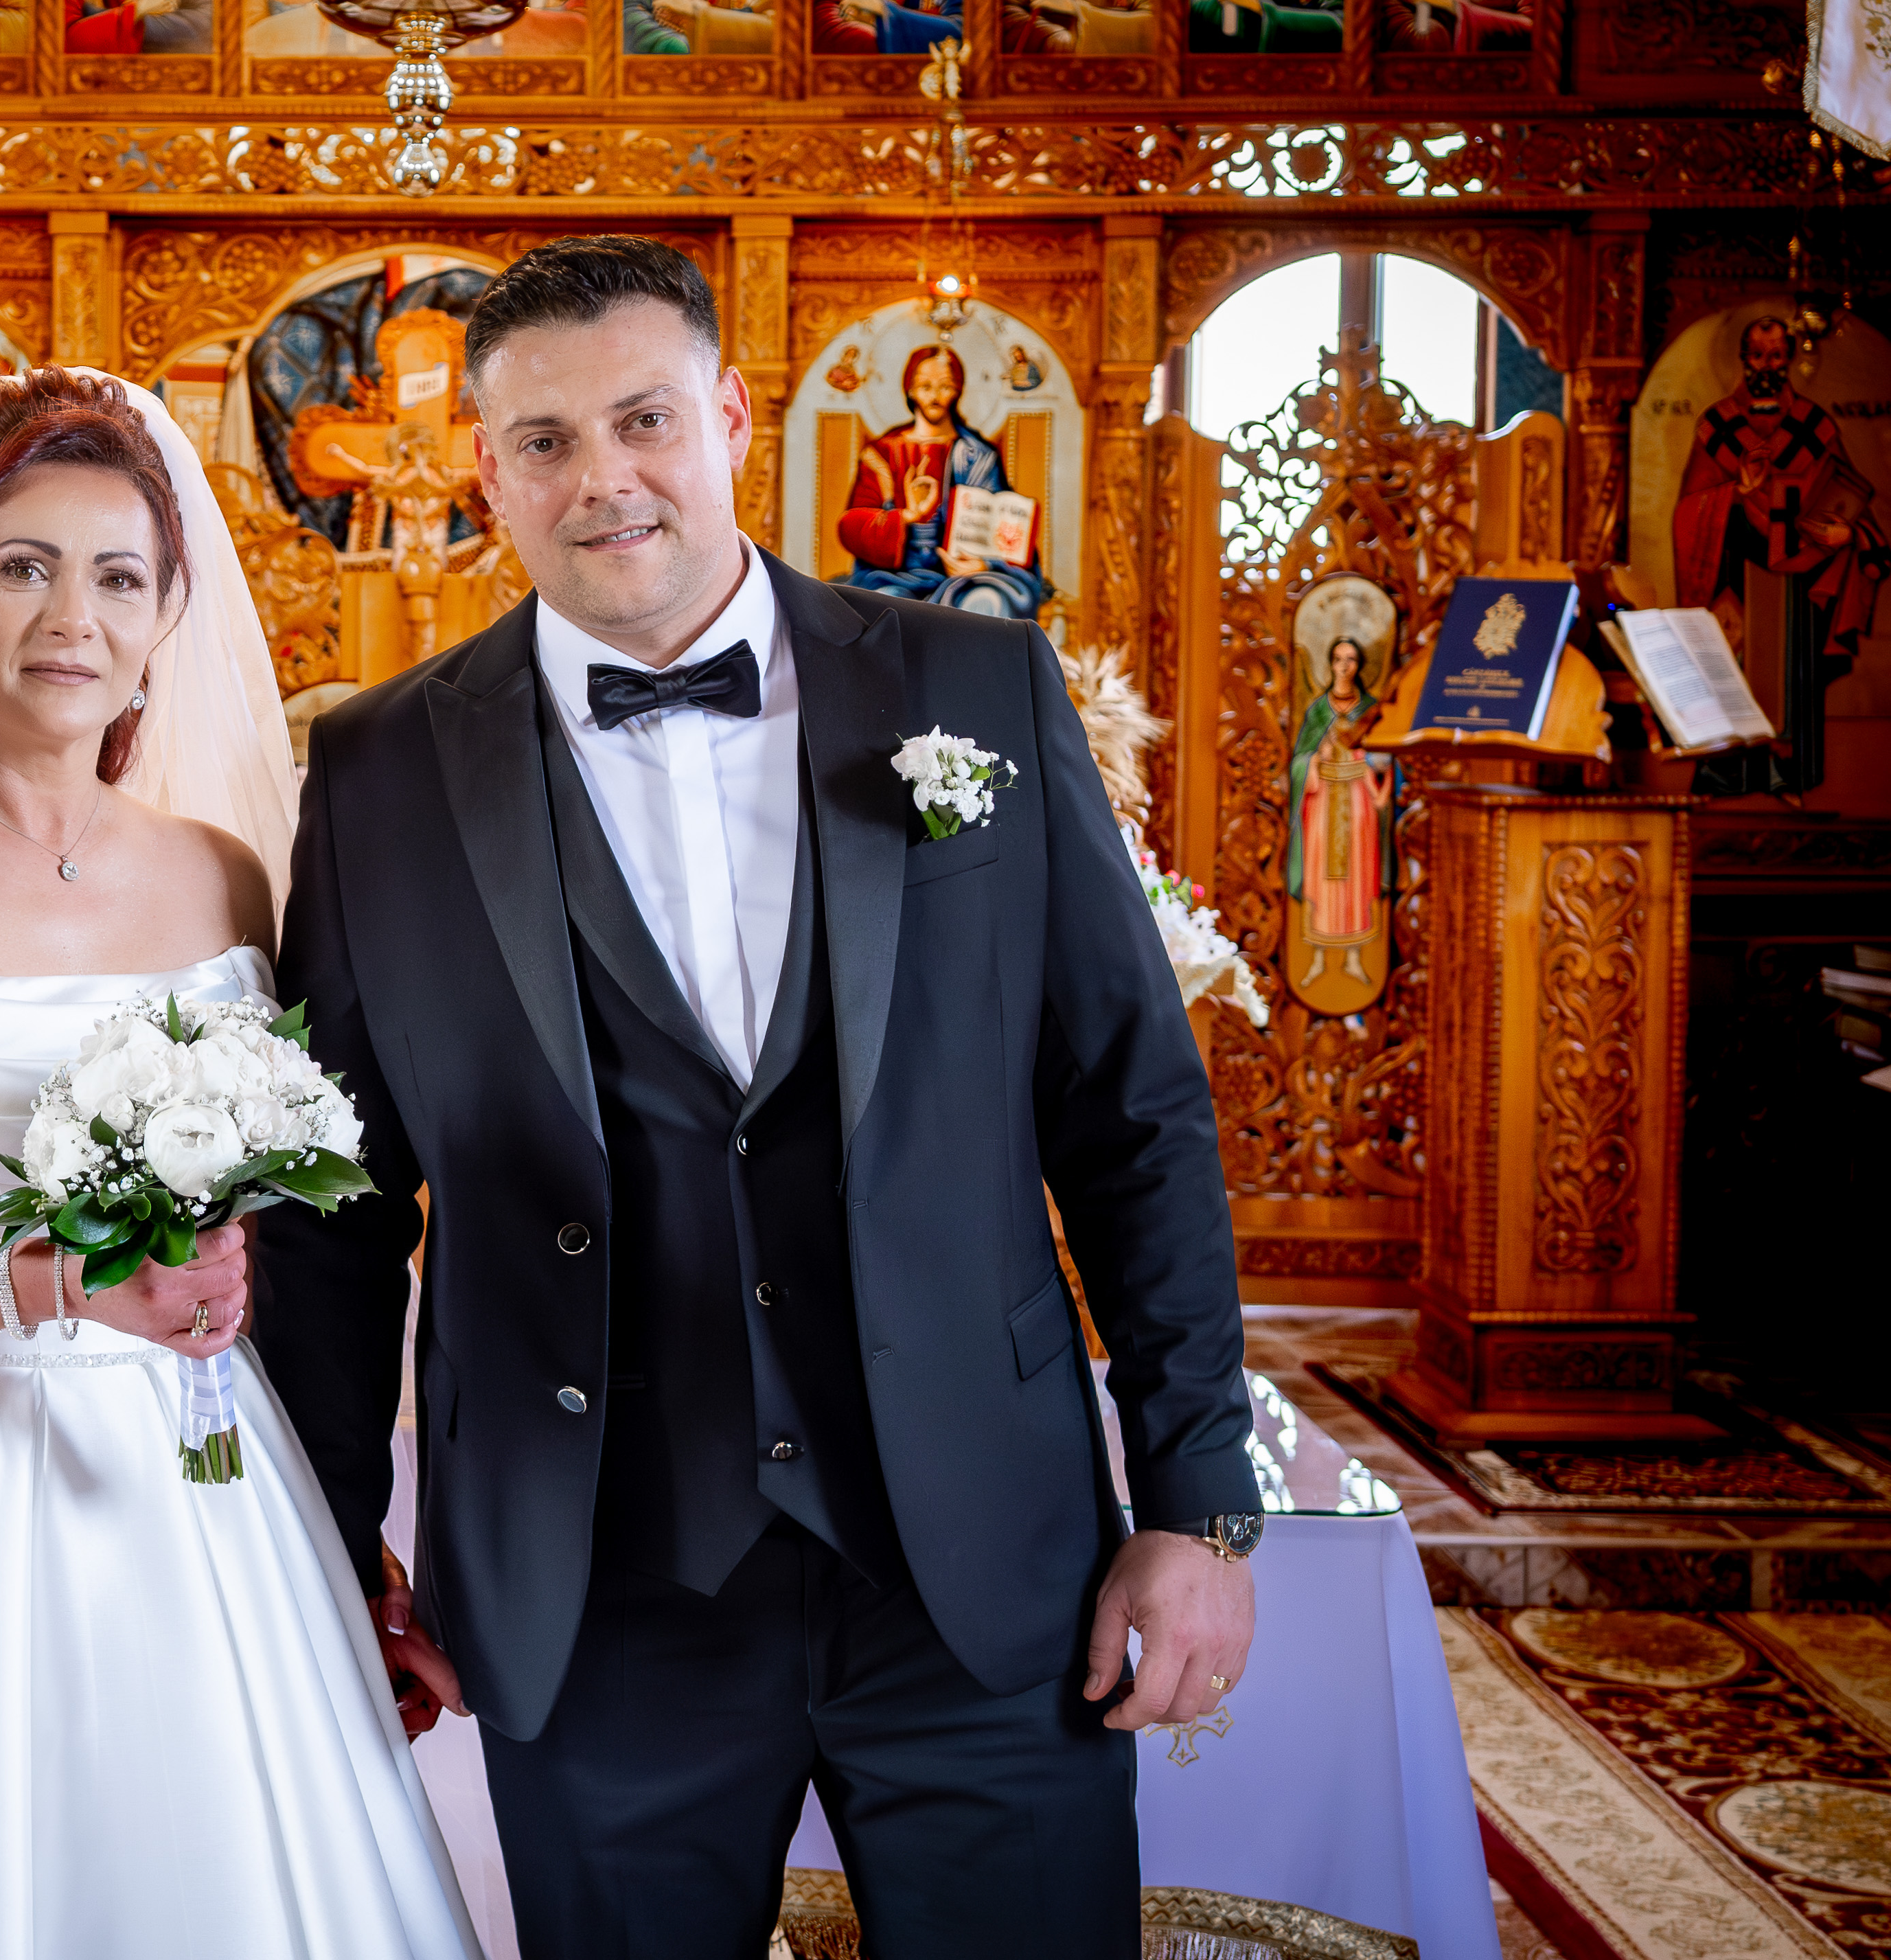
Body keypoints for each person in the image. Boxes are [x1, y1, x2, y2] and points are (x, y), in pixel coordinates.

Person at [253, 236, 1259, 1957]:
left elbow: (1128, 1112)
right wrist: (332, 1551)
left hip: (978, 1565)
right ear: (488, 473)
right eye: (547, 440)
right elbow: (330, 1207)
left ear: (729, 416)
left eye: (644, 418)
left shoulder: (977, 685)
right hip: (596, 1588)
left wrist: (1196, 1499)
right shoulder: (377, 768)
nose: (604, 477)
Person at [0, 367, 479, 1959]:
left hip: (199, 1469)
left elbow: (291, 1217)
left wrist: (341, 1521)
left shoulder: (223, 878)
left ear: (167, 610)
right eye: (24, 566)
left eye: (119, 576)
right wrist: (52, 1280)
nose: (74, 618)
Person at [1671, 315, 1888, 663]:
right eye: (1757, 355)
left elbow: (1850, 499)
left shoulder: (1814, 426)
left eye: (1776, 356)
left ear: (1789, 359)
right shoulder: (1717, 427)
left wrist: (1848, 534)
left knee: (1800, 667)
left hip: (1806, 588)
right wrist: (1737, 493)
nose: (1766, 365)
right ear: (1743, 358)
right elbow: (1687, 512)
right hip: (1739, 584)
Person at [834, 341, 1045, 619]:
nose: (935, 396)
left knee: (988, 601)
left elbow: (1000, 522)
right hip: (893, 577)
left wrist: (983, 564)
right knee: (885, 606)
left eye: (945, 387)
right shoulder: (882, 455)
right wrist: (907, 516)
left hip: (965, 577)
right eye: (925, 386)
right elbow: (851, 525)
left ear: (957, 390)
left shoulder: (978, 456)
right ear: (910, 389)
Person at [1286, 635, 1393, 981]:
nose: (1344, 667)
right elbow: (1299, 760)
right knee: (1321, 877)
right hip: (1323, 800)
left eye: (1351, 660)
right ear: (1330, 664)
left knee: (1357, 876)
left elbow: (1385, 756)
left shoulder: (1371, 709)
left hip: (1359, 798)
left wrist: (1371, 760)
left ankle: (1355, 959)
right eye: (1338, 659)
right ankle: (1317, 958)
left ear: (1359, 666)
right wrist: (1316, 760)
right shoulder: (1319, 711)